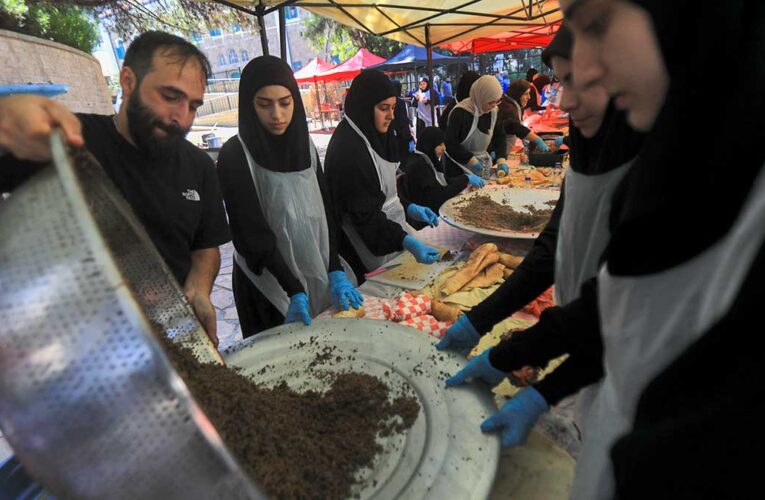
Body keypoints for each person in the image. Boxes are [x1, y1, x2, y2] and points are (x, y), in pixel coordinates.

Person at [447, 0, 765, 498]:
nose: (587, 72)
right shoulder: (673, 155)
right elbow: (617, 305)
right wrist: (504, 342)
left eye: (596, 25)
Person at [438, 22, 644, 443]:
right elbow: (553, 248)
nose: (564, 101)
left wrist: (518, 360)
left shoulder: (654, 171)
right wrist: (479, 321)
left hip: (634, 371)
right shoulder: (588, 146)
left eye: (575, 83)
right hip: (584, 346)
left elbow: (622, 310)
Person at [0, 31, 229, 346]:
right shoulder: (70, 141)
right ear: (128, 81)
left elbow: (206, 246)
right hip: (73, 343)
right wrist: (6, 118)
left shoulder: (200, 166)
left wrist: (199, 288)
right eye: (170, 96)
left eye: (193, 105)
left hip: (168, 339)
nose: (181, 118)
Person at [216, 56, 363, 337]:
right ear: (249, 104)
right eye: (264, 104)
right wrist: (293, 289)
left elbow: (326, 210)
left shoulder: (305, 145)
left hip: (314, 267)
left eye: (285, 102)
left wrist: (334, 268)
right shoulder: (235, 155)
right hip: (269, 285)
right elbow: (251, 235)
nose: (277, 115)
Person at [325, 69, 442, 281]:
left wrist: (409, 207)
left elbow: (384, 190)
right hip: (369, 239)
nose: (391, 116)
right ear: (364, 107)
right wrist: (405, 240)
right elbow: (365, 214)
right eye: (383, 108)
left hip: (392, 227)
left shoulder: (378, 133)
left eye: (394, 108)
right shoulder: (348, 150)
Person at [399, 126, 485, 214]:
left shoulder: (429, 159)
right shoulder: (420, 166)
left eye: (444, 143)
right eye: (440, 145)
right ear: (429, 145)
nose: (444, 148)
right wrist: (465, 179)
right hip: (428, 214)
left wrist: (466, 179)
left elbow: (445, 180)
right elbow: (439, 196)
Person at [443, 75, 508, 178]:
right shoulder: (459, 113)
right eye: (491, 102)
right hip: (459, 167)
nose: (494, 105)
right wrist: (470, 160)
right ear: (481, 97)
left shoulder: (493, 111)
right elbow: (450, 144)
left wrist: (501, 159)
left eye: (497, 101)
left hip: (483, 163)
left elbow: (500, 136)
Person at [499, 79, 551, 157]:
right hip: (499, 150)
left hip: (504, 149)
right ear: (517, 94)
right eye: (526, 94)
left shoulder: (512, 104)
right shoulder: (508, 108)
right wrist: (537, 139)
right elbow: (515, 127)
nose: (529, 97)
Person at [390, 80, 414, 163]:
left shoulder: (388, 101)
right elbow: (403, 120)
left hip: (392, 134)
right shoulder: (400, 102)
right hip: (401, 135)